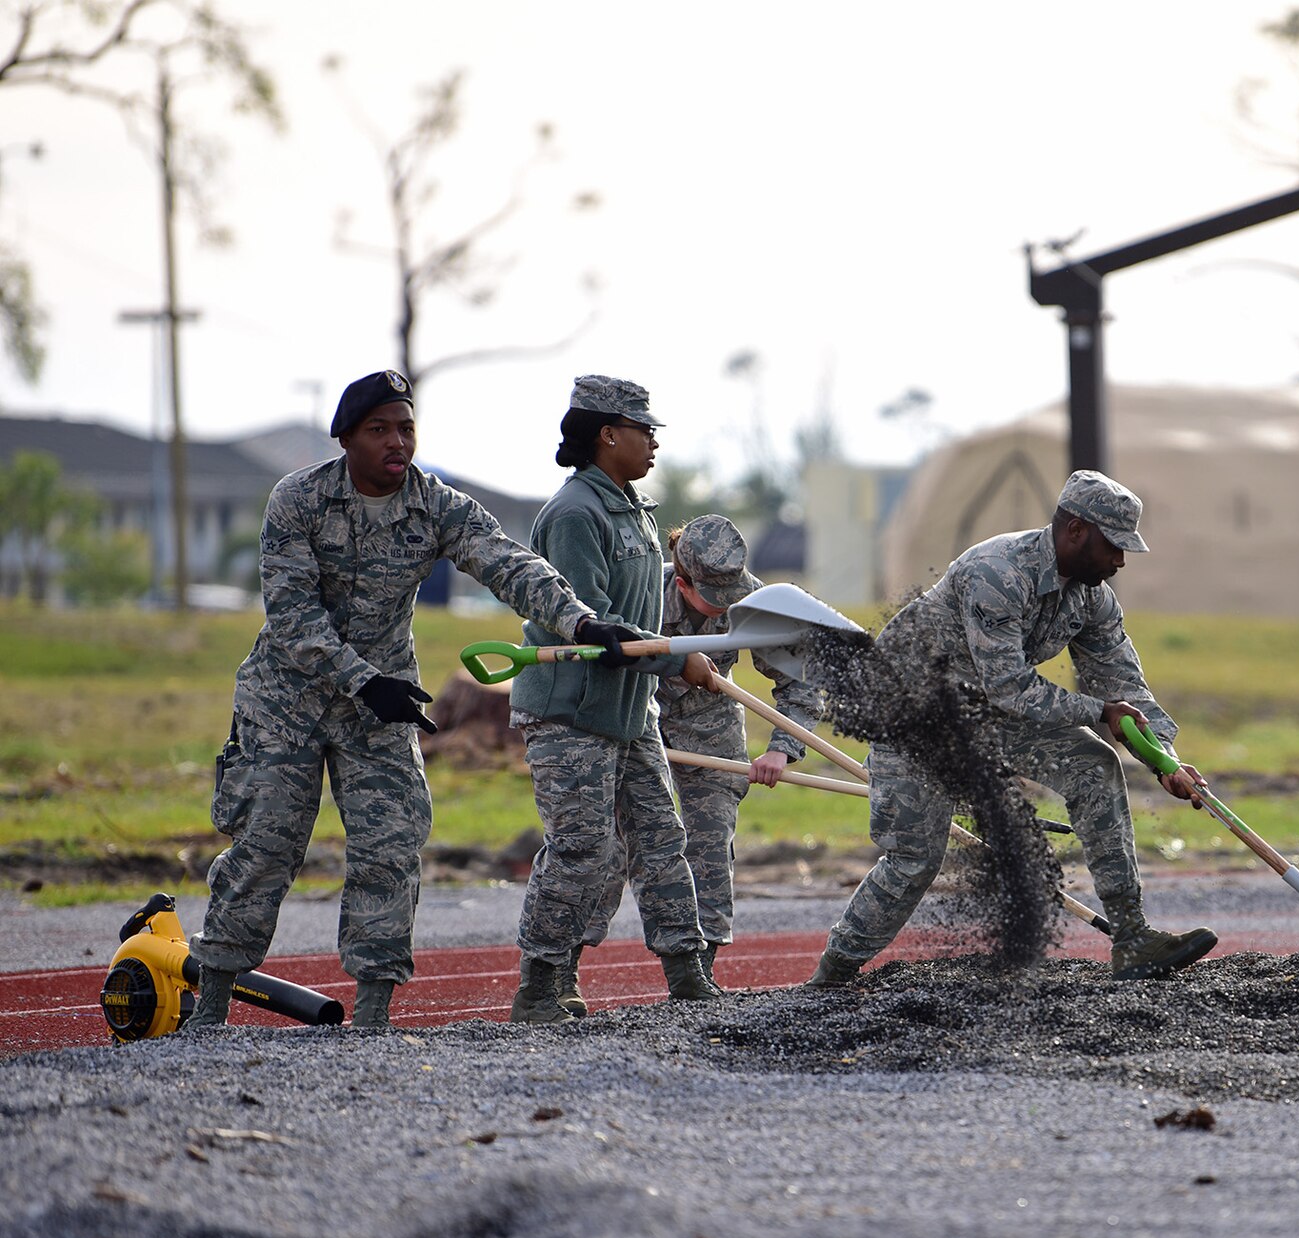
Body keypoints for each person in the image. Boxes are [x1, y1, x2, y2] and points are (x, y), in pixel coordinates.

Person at [184, 370, 625, 1031]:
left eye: (406, 427)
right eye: (380, 429)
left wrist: (581, 623)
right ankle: (211, 1000)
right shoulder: (299, 500)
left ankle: (372, 1014)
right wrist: (364, 680)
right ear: (347, 439)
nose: (397, 441)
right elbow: (293, 616)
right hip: (288, 698)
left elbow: (510, 563)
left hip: (384, 705)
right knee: (265, 846)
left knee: (392, 844)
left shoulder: (435, 505)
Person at [803, 469, 1217, 988]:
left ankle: (1132, 938)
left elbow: (1123, 686)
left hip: (987, 711)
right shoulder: (996, 572)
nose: (1120, 561)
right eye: (1113, 546)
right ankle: (832, 973)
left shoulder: (1092, 597)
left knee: (1094, 763)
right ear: (1075, 530)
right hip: (913, 712)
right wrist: (1099, 712)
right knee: (915, 858)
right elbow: (1011, 687)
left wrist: (1166, 760)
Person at [506, 374, 718, 1023]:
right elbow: (591, 624)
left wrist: (671, 659)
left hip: (630, 709)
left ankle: (687, 970)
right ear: (607, 433)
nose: (653, 441)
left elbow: (641, 614)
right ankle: (541, 982)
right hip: (571, 711)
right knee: (582, 848)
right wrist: (676, 658)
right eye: (643, 429)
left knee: (660, 837)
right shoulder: (575, 514)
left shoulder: (636, 509)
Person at [566, 515, 827, 1016]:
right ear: (682, 582)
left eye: (733, 590)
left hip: (710, 728)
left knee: (708, 844)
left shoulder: (754, 603)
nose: (727, 604)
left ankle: (698, 973)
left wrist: (781, 748)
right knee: (613, 847)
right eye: (714, 594)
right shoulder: (643, 594)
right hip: (638, 720)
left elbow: (801, 680)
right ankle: (562, 968)